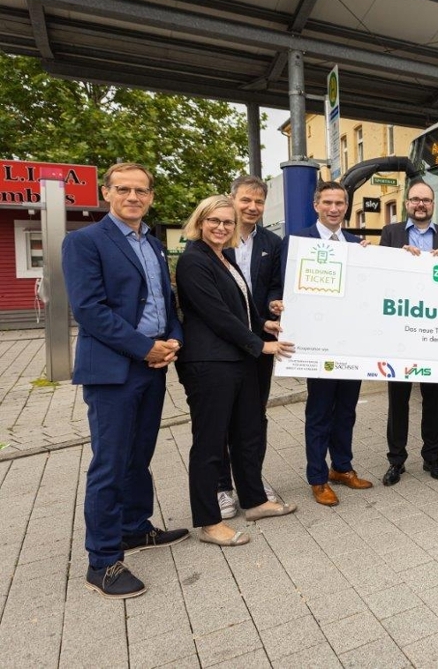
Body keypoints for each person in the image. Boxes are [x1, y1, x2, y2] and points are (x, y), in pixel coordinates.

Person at [62, 162, 188, 599]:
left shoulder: (152, 244)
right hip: (115, 368)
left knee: (139, 455)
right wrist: (144, 346)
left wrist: (173, 337)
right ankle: (102, 561)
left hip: (153, 362)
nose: (133, 197)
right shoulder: (84, 241)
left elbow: (164, 301)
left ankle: (135, 529)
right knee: (110, 463)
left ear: (151, 196)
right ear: (107, 192)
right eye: (124, 189)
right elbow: (89, 309)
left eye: (141, 190)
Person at [176, 195, 297, 546]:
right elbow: (217, 315)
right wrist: (260, 345)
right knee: (210, 443)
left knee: (247, 432)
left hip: (237, 360)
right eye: (214, 221)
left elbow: (241, 307)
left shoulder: (224, 258)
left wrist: (264, 326)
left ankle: (255, 500)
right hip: (210, 364)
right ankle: (209, 522)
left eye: (227, 222)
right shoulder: (193, 261)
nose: (222, 227)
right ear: (200, 222)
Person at [284, 182, 374, 505]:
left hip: (352, 344)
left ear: (346, 207)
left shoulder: (356, 245)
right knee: (319, 412)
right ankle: (318, 478)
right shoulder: (298, 243)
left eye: (339, 203)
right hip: (317, 345)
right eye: (328, 202)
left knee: (347, 411)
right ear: (315, 205)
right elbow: (286, 290)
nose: (334, 208)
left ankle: (342, 468)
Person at [379, 180, 438, 486]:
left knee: (432, 397)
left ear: (433, 203)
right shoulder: (391, 234)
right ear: (407, 203)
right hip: (400, 327)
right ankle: (396, 461)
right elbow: (380, 275)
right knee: (397, 398)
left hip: (434, 329)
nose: (420, 204)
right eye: (415, 199)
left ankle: (432, 458)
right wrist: (398, 258)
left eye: (425, 200)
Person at [215, 174, 284, 520]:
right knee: (223, 417)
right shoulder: (215, 239)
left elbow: (274, 287)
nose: (252, 207)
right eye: (246, 200)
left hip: (261, 342)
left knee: (255, 416)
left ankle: (252, 482)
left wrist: (274, 305)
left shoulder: (273, 242)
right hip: (222, 345)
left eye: (258, 201)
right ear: (232, 199)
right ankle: (221, 486)